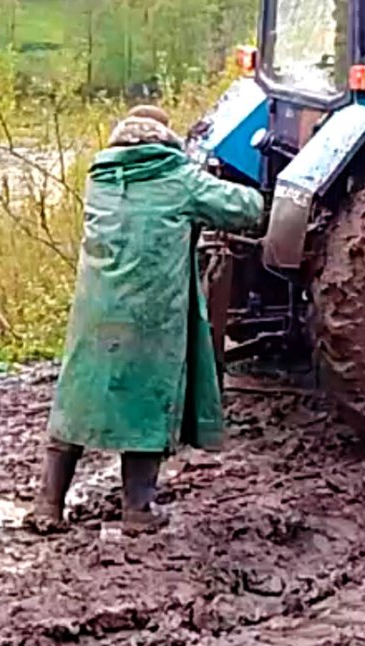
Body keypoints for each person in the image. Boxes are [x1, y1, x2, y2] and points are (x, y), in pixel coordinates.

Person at [29, 105, 265, 534]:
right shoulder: (177, 178)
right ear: (162, 140)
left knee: (77, 397)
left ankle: (47, 506)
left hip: (95, 311)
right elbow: (245, 209)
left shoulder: (100, 179)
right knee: (145, 399)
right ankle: (138, 511)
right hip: (149, 315)